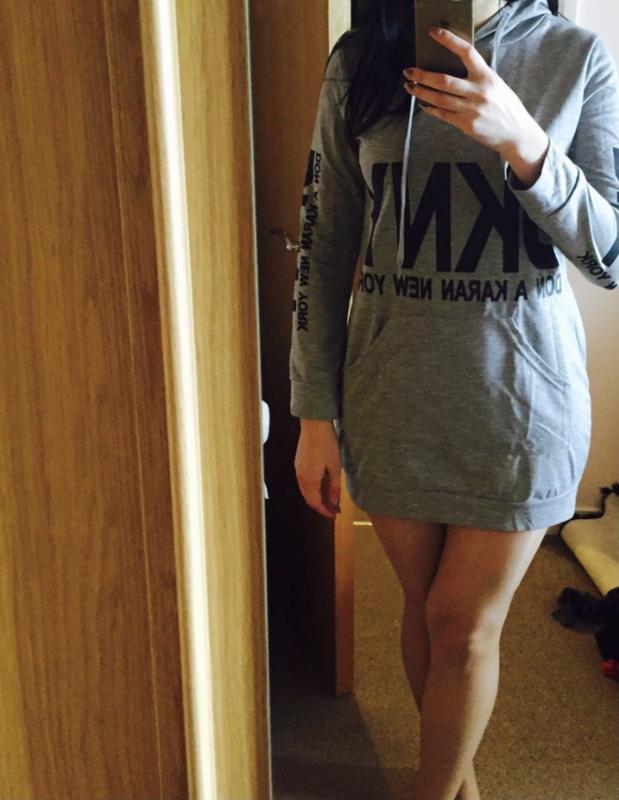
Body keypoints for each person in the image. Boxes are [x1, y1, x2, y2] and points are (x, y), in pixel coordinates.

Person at [289, 0, 619, 798]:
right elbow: (324, 241)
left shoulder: (575, 57)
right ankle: (456, 784)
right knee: (425, 607)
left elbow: (609, 256)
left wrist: (525, 144)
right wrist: (311, 413)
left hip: (521, 402)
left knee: (461, 626)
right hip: (391, 392)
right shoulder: (359, 60)